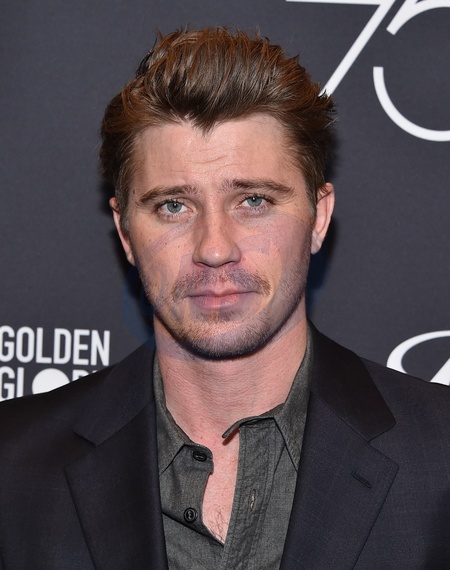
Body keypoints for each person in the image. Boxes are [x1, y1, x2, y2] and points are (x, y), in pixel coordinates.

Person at [0, 27, 449, 570]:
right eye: (173, 206)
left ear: (318, 217)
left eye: (253, 200)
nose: (214, 249)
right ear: (125, 233)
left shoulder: (439, 459)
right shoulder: (13, 466)